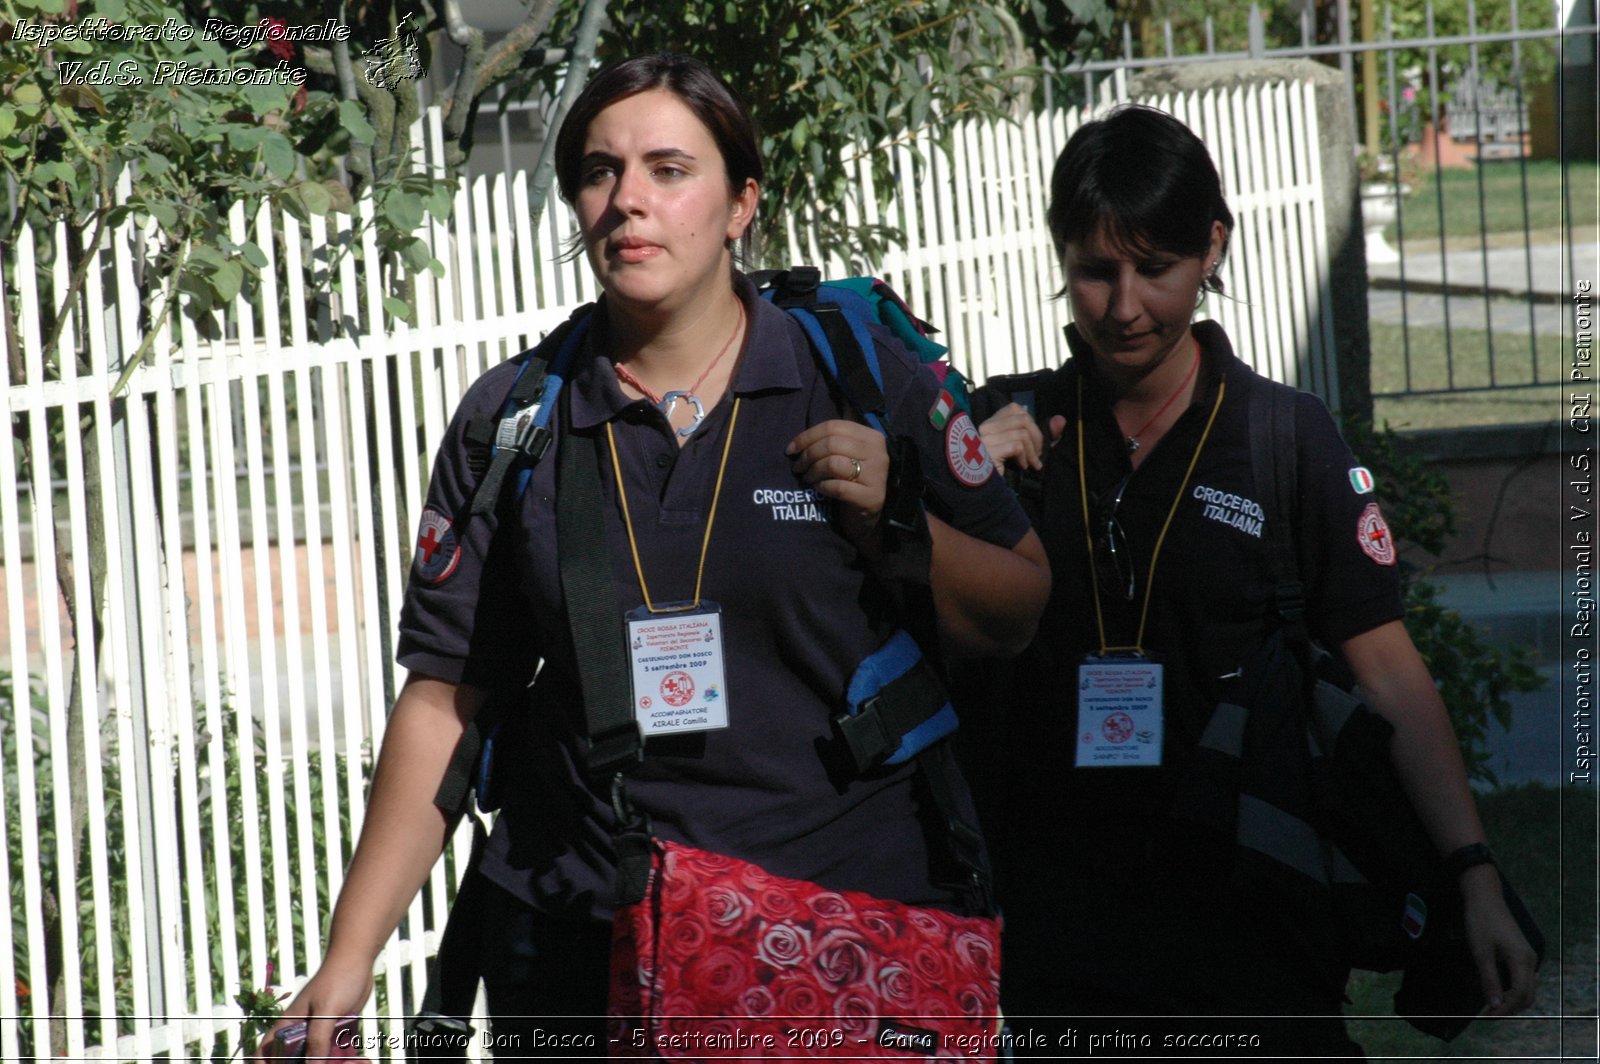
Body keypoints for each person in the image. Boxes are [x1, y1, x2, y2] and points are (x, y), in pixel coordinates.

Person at [273, 53, 1049, 1059]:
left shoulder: (860, 380)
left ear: (740, 205)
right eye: (599, 172)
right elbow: (448, 698)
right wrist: (349, 955)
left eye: (668, 169)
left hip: (834, 929)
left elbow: (1020, 605)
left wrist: (901, 519)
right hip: (579, 932)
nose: (627, 200)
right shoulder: (513, 417)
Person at [965, 104, 1537, 1056]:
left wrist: (1473, 872)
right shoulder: (1004, 433)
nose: (1124, 306)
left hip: (1256, 918)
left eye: (1156, 268)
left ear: (1212, 248)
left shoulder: (1284, 438)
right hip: (1067, 934)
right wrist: (964, 488)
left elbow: (1388, 669)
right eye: (1095, 271)